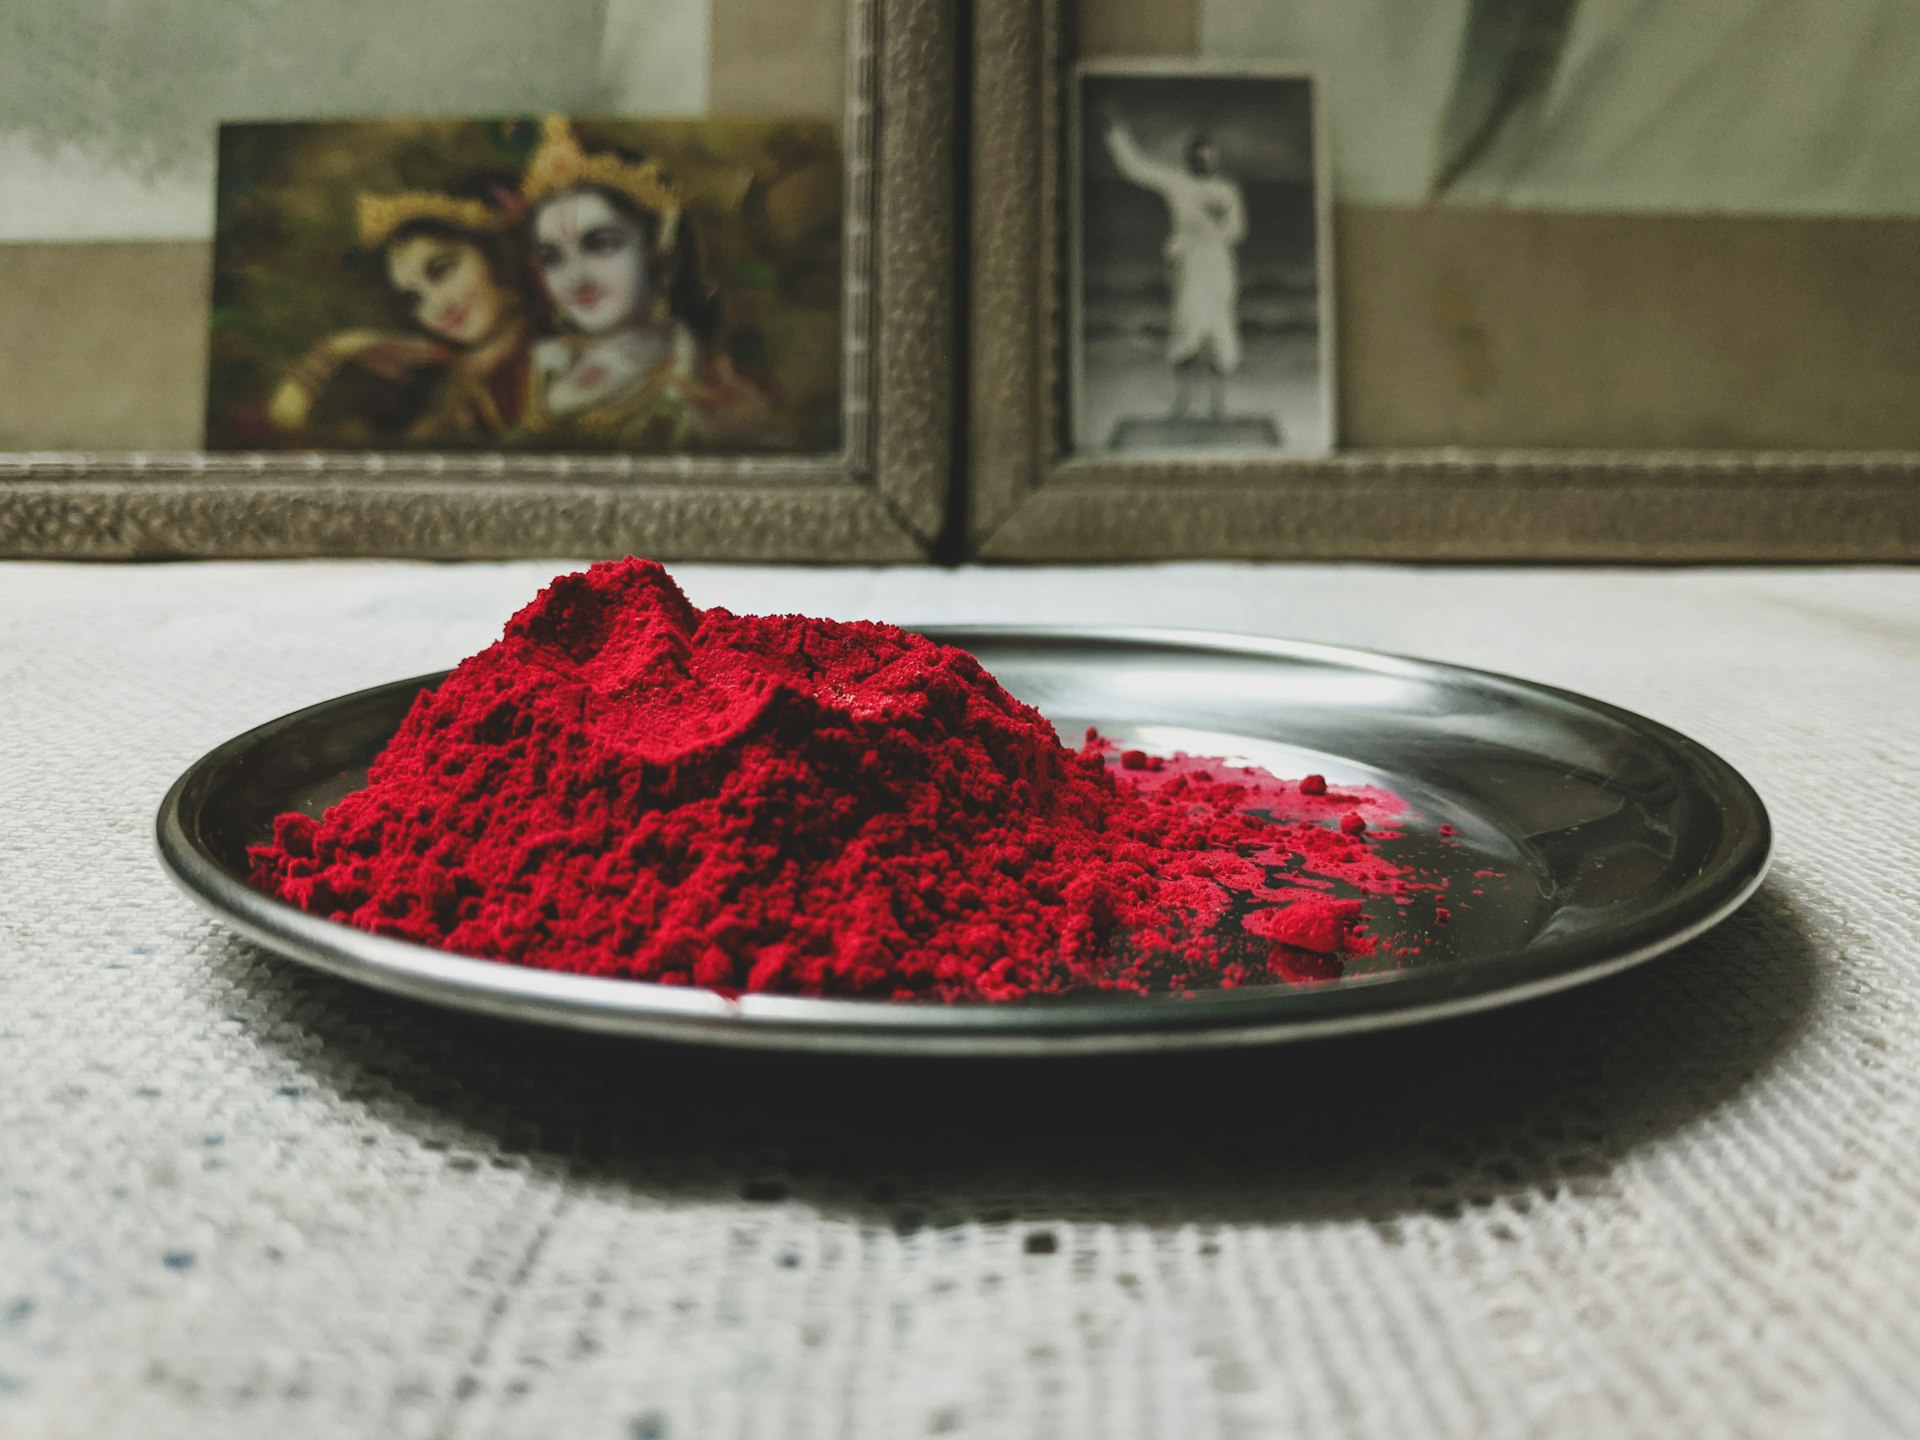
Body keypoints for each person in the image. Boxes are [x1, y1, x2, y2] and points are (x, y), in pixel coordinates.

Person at [514, 117, 772, 449]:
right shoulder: (544, 369)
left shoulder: (714, 386)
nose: (575, 278)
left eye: (602, 244)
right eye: (552, 258)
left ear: (662, 249)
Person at [267, 186, 533, 444]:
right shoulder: (431, 390)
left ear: (494, 252)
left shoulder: (559, 356)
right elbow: (289, 438)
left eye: (441, 270)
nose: (438, 306)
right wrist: (337, 350)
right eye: (413, 299)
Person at [1103, 109, 1247, 422]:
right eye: (1199, 157)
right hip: (1189, 265)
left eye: (1210, 157)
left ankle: (1218, 408)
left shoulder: (1227, 190)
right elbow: (1137, 168)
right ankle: (1182, 404)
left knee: (1219, 332)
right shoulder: (1177, 184)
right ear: (1190, 158)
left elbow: (1237, 231)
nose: (1205, 162)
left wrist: (1212, 225)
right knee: (1185, 330)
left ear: (1216, 160)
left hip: (1218, 266)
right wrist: (1116, 135)